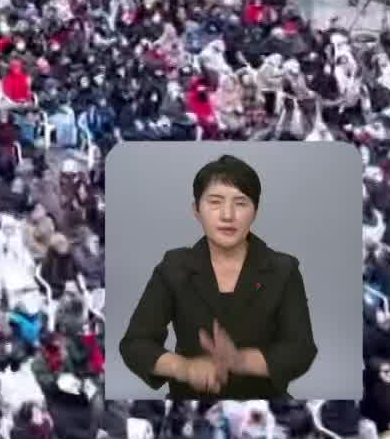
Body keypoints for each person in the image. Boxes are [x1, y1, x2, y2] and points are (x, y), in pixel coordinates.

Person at [117, 154, 318, 400]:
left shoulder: (283, 269)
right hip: (189, 403)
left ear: (255, 211)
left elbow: (301, 349)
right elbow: (136, 344)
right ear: (196, 210)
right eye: (215, 202)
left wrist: (241, 361)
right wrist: (184, 368)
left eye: (241, 203)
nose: (227, 215)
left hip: (266, 403)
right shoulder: (174, 267)